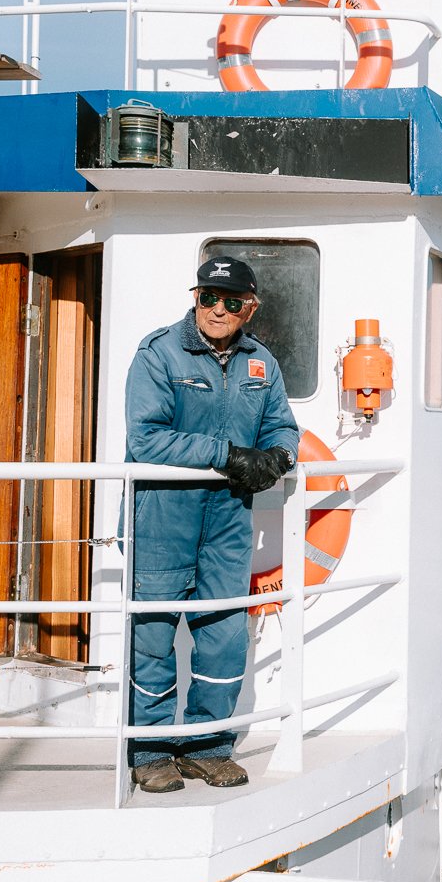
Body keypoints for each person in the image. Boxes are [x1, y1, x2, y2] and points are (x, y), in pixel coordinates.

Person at [124, 255, 300, 793]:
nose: (217, 310)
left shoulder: (261, 363)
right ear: (195, 298)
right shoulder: (159, 353)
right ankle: (150, 750)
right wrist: (227, 454)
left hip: (228, 518)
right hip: (162, 515)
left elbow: (282, 427)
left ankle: (207, 746)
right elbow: (146, 439)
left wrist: (279, 457)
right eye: (207, 297)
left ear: (251, 308)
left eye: (231, 301)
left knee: (223, 637)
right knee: (153, 637)